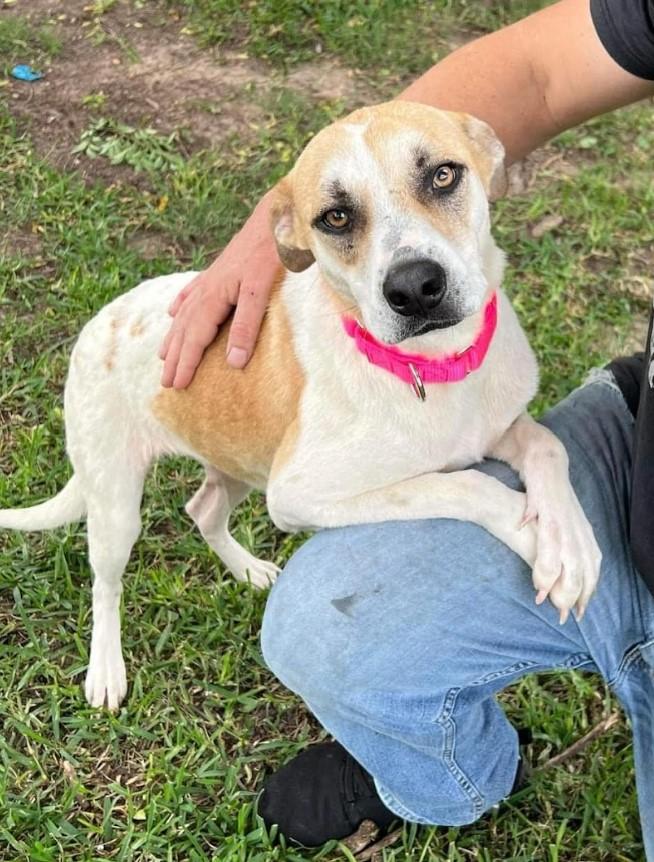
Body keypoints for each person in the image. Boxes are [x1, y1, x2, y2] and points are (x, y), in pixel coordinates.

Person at [160, 0, 654, 853]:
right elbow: (537, 70)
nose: (411, 271)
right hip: (638, 436)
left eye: (440, 181)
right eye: (340, 220)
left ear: (481, 170)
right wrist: (265, 226)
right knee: (318, 625)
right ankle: (443, 774)